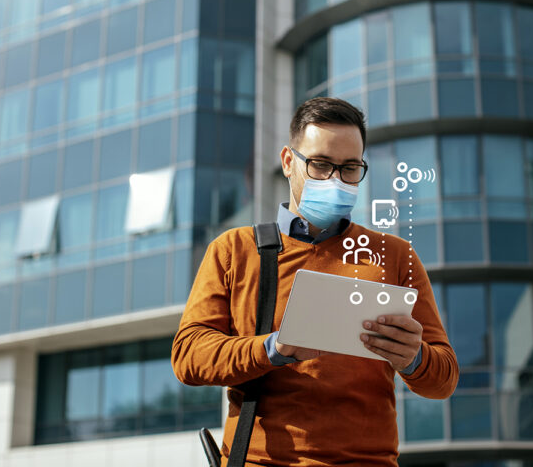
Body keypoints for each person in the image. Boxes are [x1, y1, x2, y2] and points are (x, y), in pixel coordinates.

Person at [171, 97, 458, 466]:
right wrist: (273, 349)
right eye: (321, 165)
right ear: (289, 162)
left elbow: (444, 379)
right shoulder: (234, 250)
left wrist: (414, 358)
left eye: (350, 168)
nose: (336, 179)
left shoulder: (394, 256)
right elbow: (189, 356)